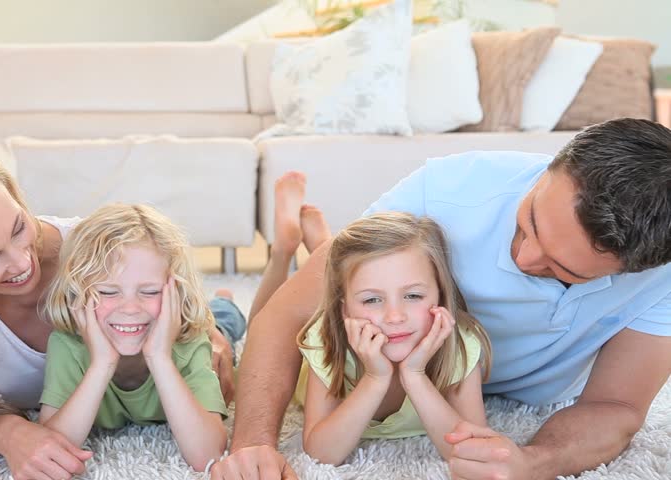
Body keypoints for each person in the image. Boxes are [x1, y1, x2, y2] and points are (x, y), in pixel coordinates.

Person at [212, 118, 671, 480]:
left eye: (561, 270)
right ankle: (312, 245)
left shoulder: (661, 276)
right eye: (528, 219)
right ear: (553, 165)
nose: (523, 256)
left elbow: (616, 407)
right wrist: (252, 443)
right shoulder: (448, 189)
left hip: (499, 384)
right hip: (403, 365)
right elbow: (285, 315)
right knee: (338, 276)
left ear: (634, 268)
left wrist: (534, 463)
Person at [0, 144, 238, 480]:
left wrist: (210, 338)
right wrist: (7, 432)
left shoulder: (95, 254)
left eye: (19, 226)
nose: (23, 261)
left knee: (224, 318)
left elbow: (180, 311)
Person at [38, 204, 240, 471]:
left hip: (194, 327)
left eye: (150, 291)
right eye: (109, 292)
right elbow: (54, 446)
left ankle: (224, 301)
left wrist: (160, 358)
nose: (130, 308)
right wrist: (101, 364)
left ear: (175, 294)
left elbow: (207, 455)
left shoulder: (190, 343)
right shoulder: (67, 345)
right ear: (77, 294)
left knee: (225, 321)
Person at [295, 212, 491, 465]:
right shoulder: (325, 340)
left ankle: (322, 247)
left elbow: (474, 452)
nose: (395, 317)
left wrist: (415, 376)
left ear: (440, 296)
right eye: (372, 300)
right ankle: (313, 247)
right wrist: (375, 378)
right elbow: (321, 455)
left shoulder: (460, 345)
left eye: (413, 296)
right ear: (345, 309)